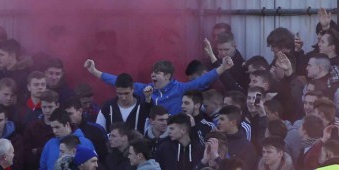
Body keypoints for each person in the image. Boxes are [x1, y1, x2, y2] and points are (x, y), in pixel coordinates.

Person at [84, 56, 235, 115]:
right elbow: (119, 81)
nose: (153, 75)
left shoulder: (180, 89)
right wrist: (95, 71)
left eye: (157, 73)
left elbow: (202, 81)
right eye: (153, 73)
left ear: (168, 76)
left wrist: (222, 68)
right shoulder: (147, 89)